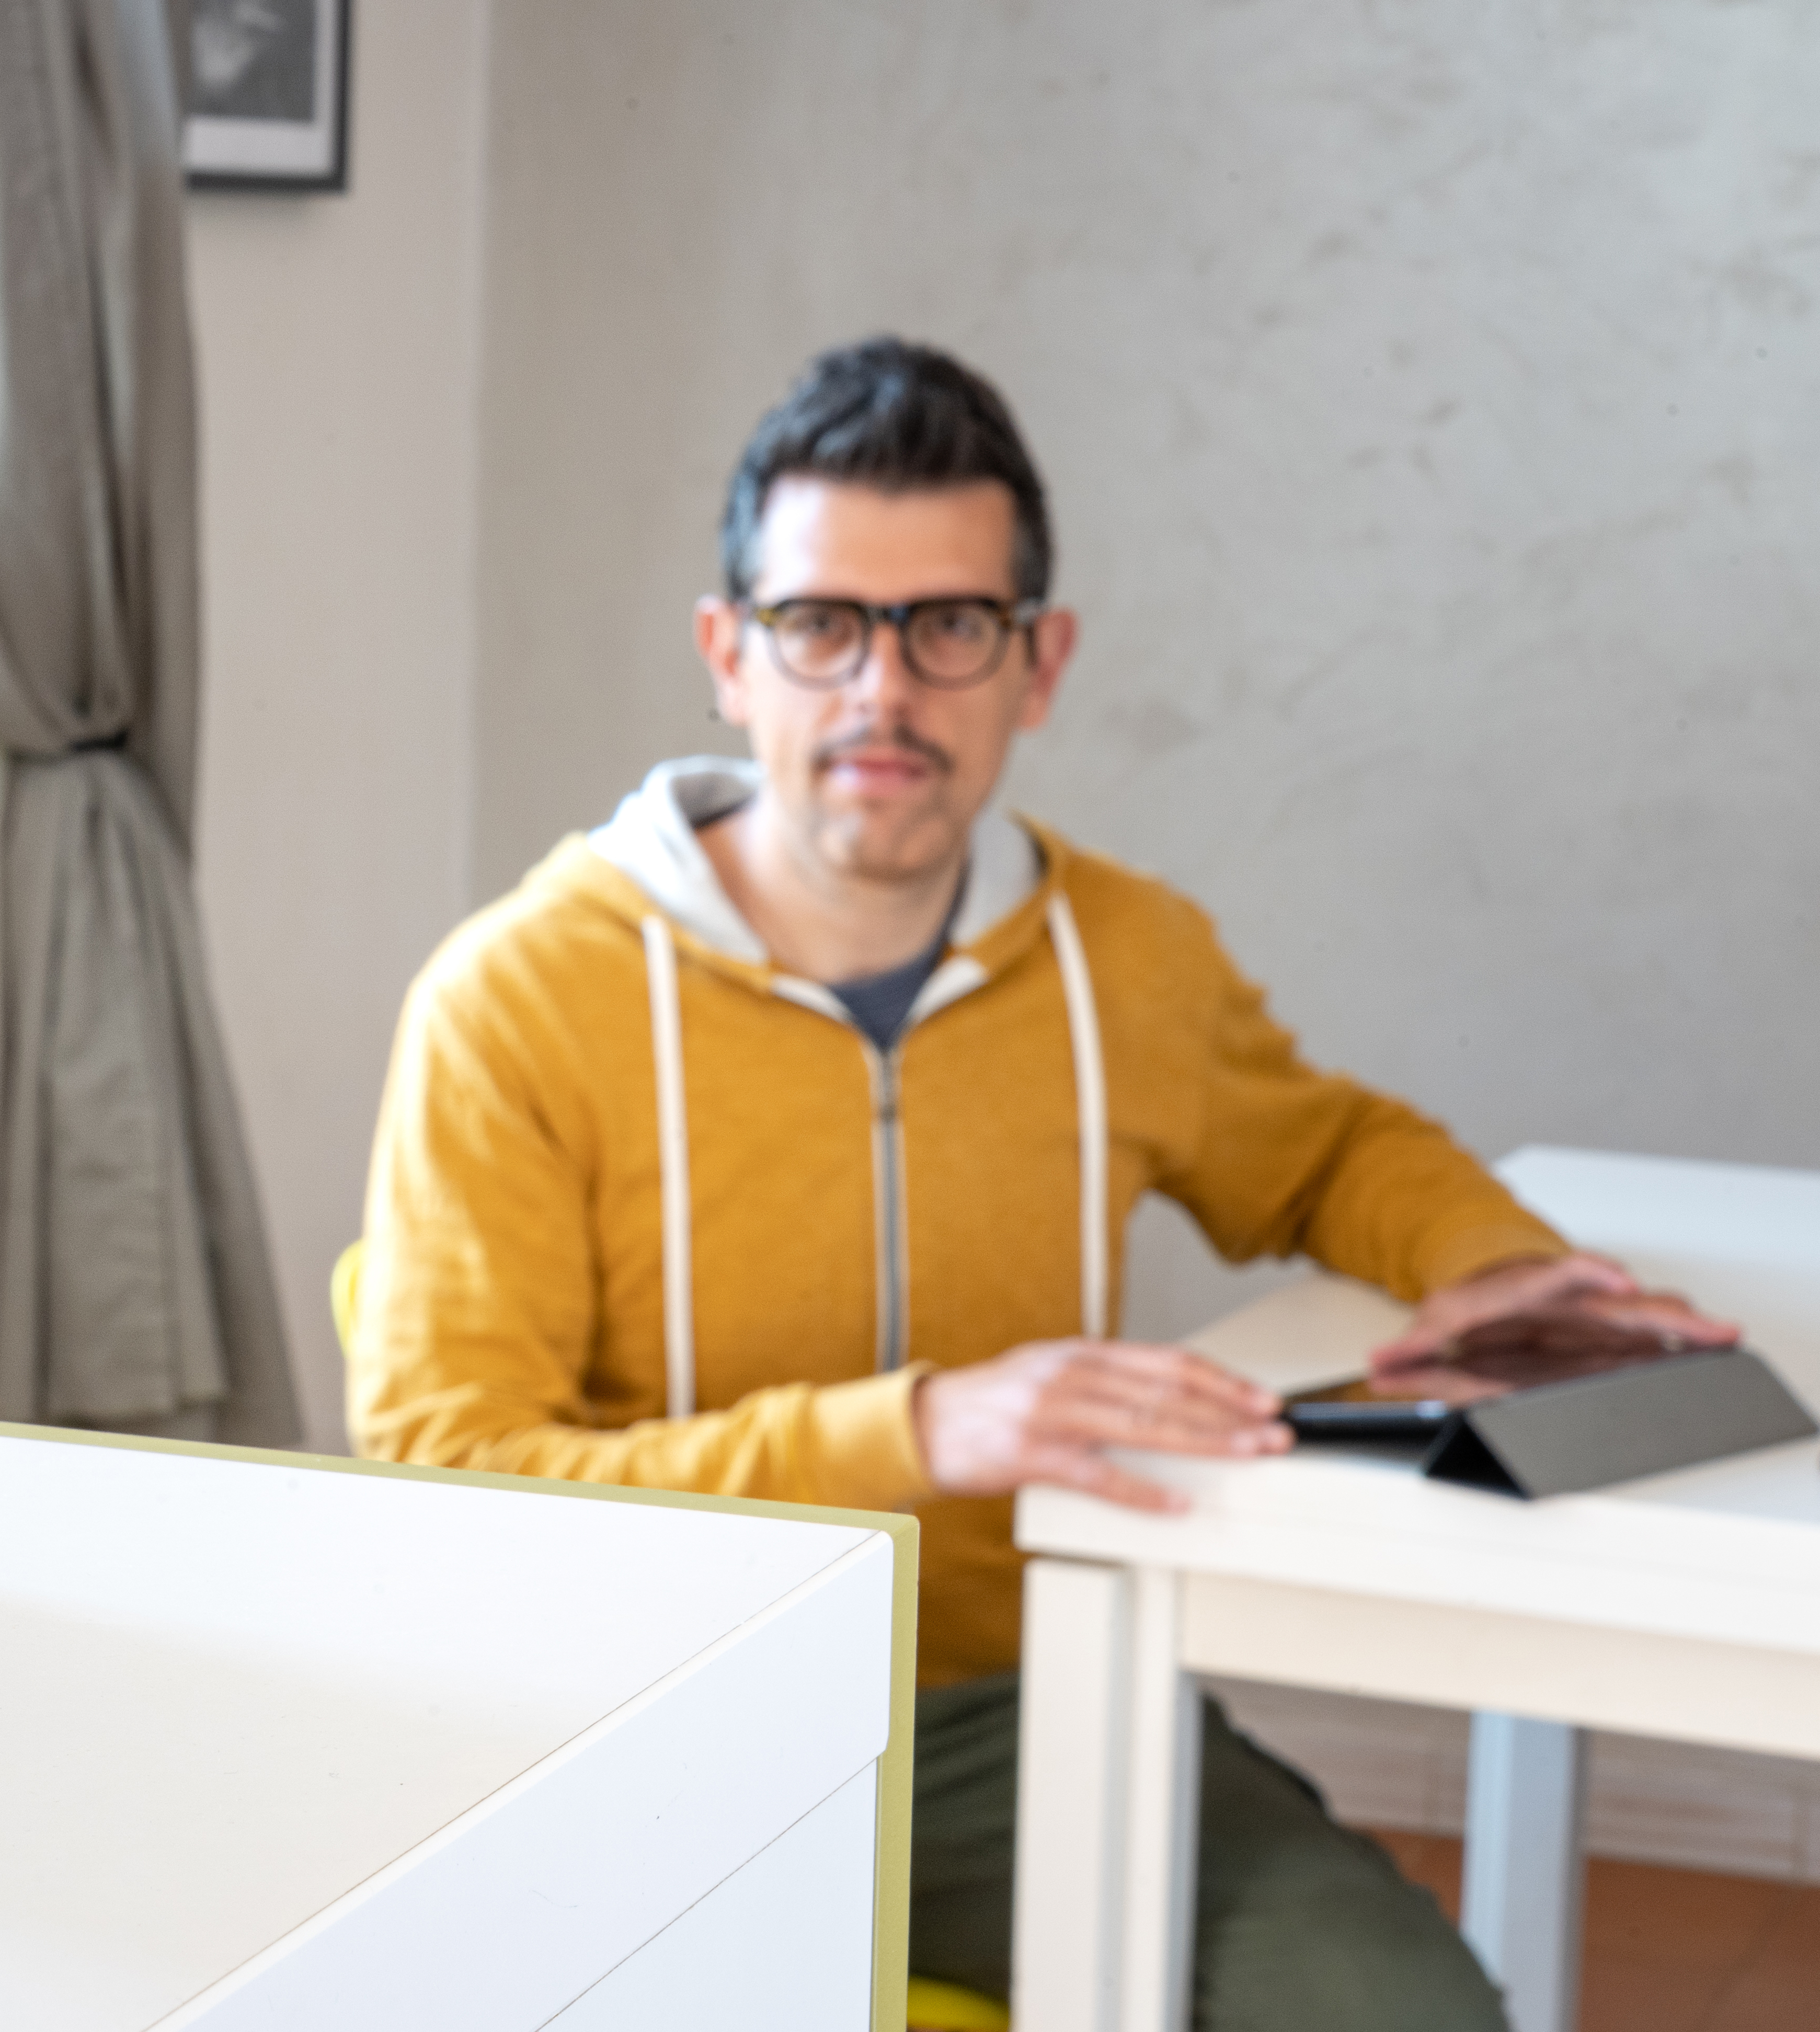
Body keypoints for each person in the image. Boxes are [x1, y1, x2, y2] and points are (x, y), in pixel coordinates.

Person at [344, 337, 1731, 2027]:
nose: (883, 691)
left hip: (1012, 1718)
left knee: (1404, 2014)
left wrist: (1488, 1258)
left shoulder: (1122, 954)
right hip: (628, 1726)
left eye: (950, 627)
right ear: (731, 654)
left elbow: (1328, 1150)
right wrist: (925, 1434)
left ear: (1037, 661)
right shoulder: (515, 999)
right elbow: (449, 1478)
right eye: (822, 626)